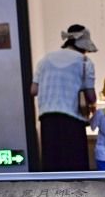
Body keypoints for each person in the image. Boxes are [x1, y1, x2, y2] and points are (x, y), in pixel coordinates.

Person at [31, 24, 97, 171]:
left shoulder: (45, 59)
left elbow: (33, 90)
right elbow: (91, 96)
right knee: (75, 169)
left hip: (47, 120)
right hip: (72, 121)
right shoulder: (85, 62)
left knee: (53, 168)